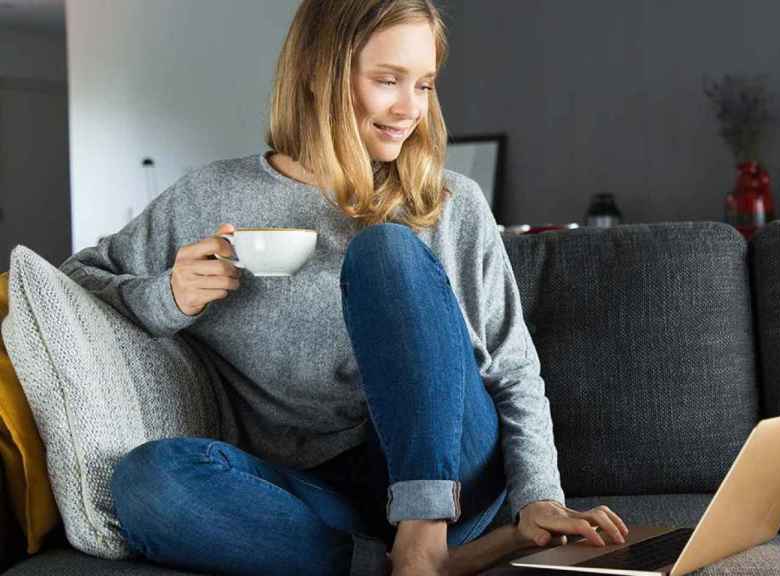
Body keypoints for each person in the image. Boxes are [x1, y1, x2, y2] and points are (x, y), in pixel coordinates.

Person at [59, 0, 629, 574]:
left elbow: (511, 368)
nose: (410, 109)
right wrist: (169, 297)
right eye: (388, 81)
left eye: (424, 85)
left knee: (385, 248)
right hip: (314, 495)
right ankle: (397, 566)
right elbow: (78, 281)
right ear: (319, 75)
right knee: (145, 481)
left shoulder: (450, 203)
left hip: (454, 477)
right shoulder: (210, 197)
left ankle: (425, 537)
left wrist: (539, 499)